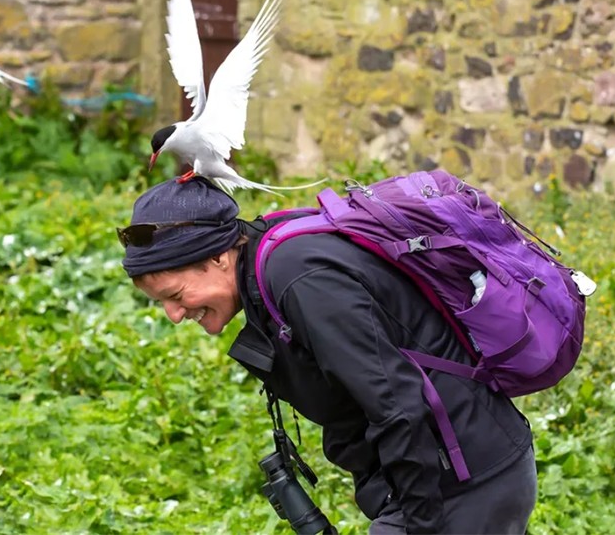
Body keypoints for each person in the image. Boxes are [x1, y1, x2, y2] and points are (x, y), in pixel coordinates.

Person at [119, 177, 538, 534]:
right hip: (448, 476)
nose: (174, 315)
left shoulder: (300, 279)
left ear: (217, 255)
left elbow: (396, 403)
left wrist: (418, 524)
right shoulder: (269, 260)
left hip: (467, 482)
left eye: (175, 296)